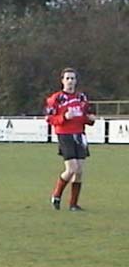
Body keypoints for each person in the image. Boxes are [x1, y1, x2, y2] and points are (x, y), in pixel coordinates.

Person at [45, 67, 95, 212]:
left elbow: (86, 116)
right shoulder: (56, 98)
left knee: (79, 171)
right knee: (72, 168)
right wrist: (63, 118)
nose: (70, 81)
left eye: (73, 78)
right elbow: (49, 118)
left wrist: (90, 120)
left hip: (80, 135)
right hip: (65, 135)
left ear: (76, 81)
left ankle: (73, 204)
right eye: (67, 78)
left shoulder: (81, 98)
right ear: (62, 81)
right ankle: (56, 194)